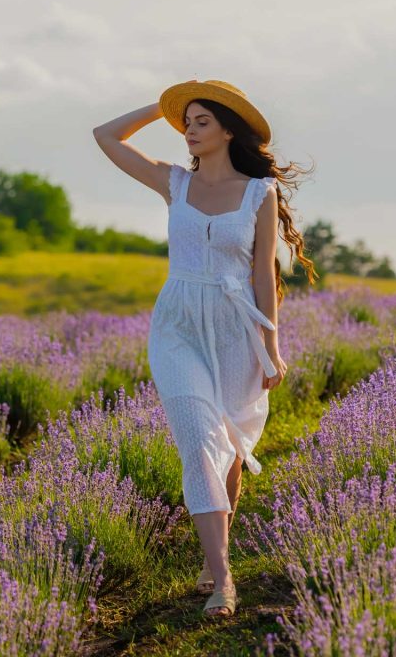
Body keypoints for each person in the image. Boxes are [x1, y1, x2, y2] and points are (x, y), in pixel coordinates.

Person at [92, 79, 317, 618]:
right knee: (198, 441)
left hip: (237, 326)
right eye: (185, 122)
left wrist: (272, 346)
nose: (189, 131)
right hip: (178, 326)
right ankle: (223, 580)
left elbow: (264, 273)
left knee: (231, 444)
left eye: (201, 122)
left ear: (227, 131)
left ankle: (213, 554)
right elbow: (105, 136)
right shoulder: (173, 183)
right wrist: (162, 106)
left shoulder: (258, 192)